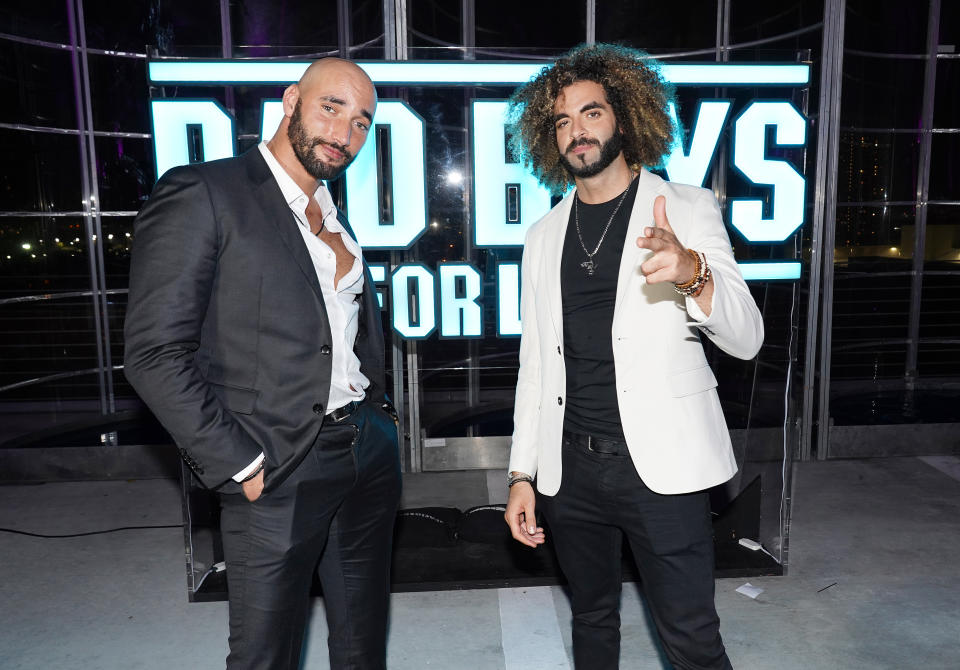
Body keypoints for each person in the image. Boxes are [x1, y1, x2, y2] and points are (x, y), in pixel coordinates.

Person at [124, 58, 401, 670]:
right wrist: (237, 461)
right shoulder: (204, 191)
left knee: (363, 645)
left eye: (361, 123)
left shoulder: (330, 210)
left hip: (366, 452)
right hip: (274, 464)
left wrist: (382, 421)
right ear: (291, 99)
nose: (344, 133)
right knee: (265, 655)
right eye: (331, 108)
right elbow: (152, 352)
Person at [503, 44, 764, 670]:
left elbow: (747, 337)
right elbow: (536, 364)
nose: (577, 131)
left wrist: (693, 272)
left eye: (591, 113)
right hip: (572, 472)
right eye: (562, 121)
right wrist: (521, 474)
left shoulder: (685, 208)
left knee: (692, 638)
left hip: (664, 470)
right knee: (592, 623)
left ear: (626, 115)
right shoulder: (542, 238)